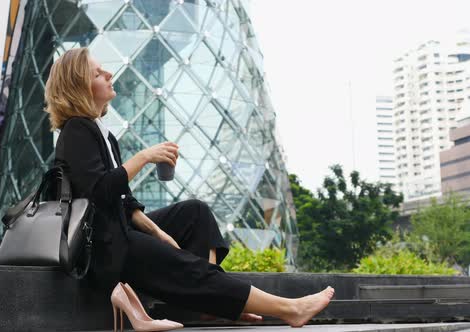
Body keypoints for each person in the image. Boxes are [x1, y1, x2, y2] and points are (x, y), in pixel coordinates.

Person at [45, 47, 334, 329]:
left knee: (194, 213)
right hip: (104, 248)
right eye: (98, 73)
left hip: (118, 232)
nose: (109, 74)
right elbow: (99, 194)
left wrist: (158, 232)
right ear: (79, 86)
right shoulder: (76, 131)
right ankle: (291, 309)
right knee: (186, 266)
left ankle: (208, 304)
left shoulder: (102, 134)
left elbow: (123, 202)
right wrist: (144, 158)